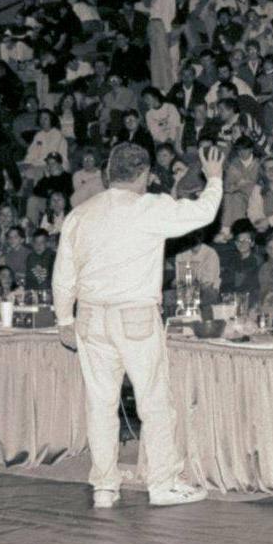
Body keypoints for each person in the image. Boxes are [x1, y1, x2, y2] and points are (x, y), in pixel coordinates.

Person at [52, 142, 226, 509]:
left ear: (107, 174)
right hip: (135, 316)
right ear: (145, 175)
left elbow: (62, 274)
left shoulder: (80, 214)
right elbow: (206, 213)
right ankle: (162, 484)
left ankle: (104, 488)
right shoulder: (150, 207)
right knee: (154, 401)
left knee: (100, 404)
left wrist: (65, 318)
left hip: (91, 317)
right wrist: (214, 179)